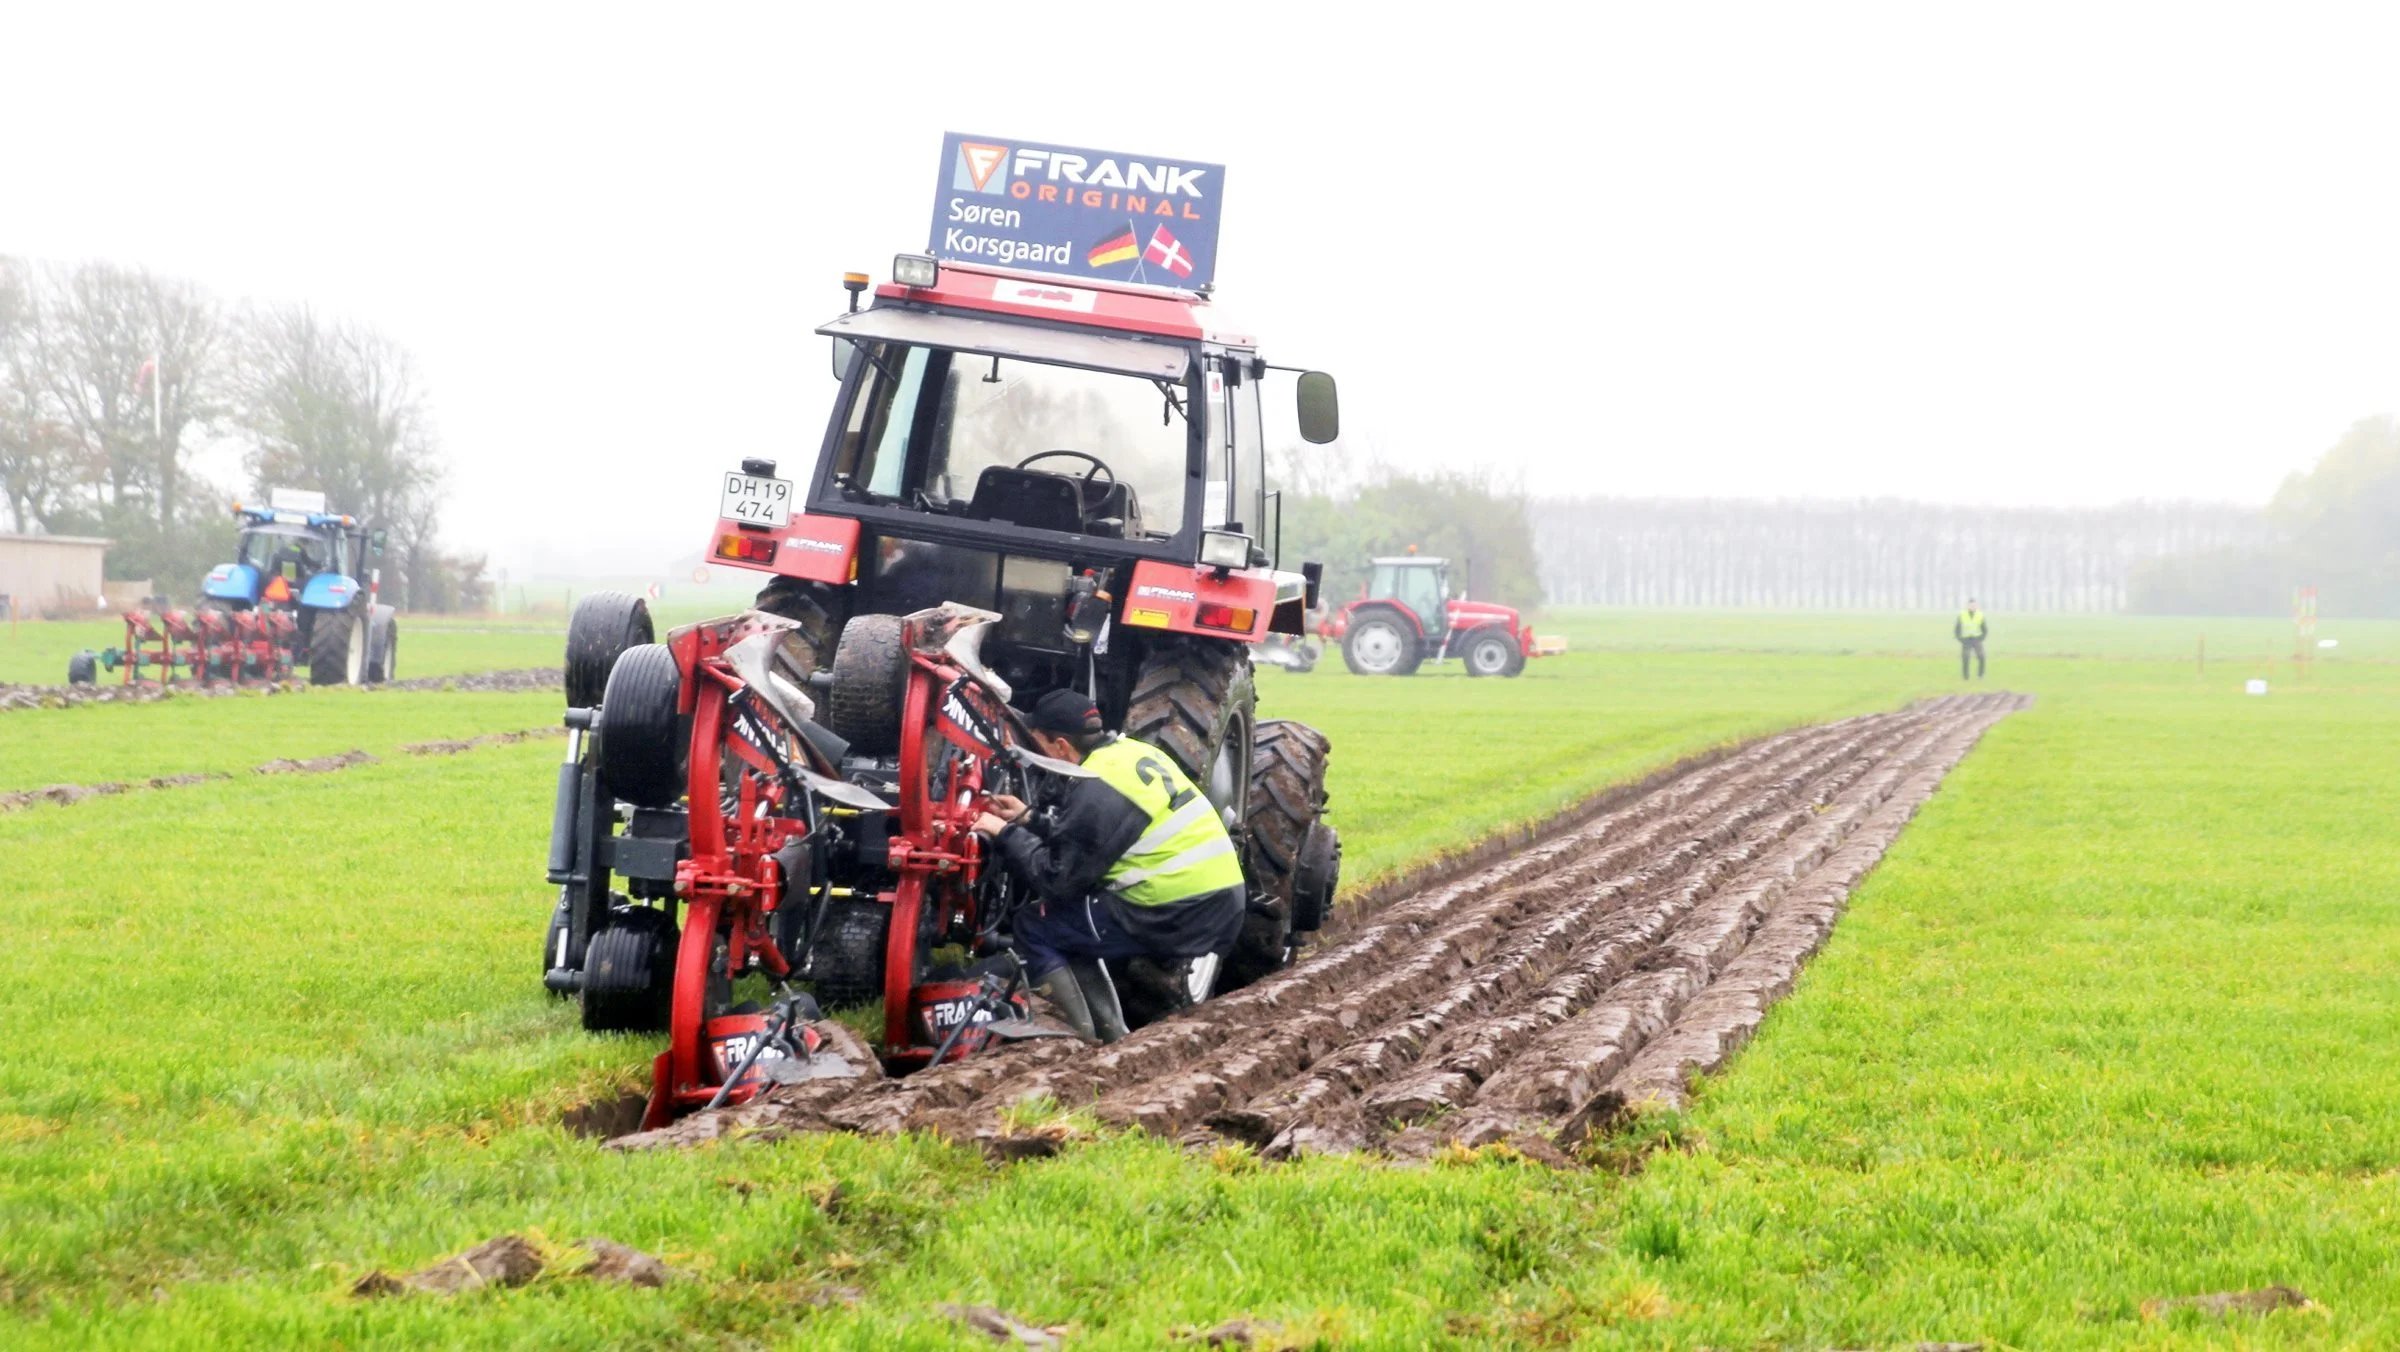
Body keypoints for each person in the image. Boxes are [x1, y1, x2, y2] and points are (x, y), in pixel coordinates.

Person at [972, 689, 1246, 1043]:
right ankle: (1113, 1037)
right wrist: (1029, 819)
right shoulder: (1129, 754)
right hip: (1218, 897)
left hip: (1179, 908)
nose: (1036, 754)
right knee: (1071, 929)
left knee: (1036, 926)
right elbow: (1099, 836)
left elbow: (1055, 879)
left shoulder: (1096, 786)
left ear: (1059, 746)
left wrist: (1005, 833)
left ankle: (1079, 1039)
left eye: (1036, 743)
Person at [1955, 599, 1988, 680]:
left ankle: (1980, 675)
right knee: (1965, 657)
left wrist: (1981, 638)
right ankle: (1966, 676)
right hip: (1966, 639)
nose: (1972, 607)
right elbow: (1957, 629)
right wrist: (1960, 638)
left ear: (1976, 606)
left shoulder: (1980, 615)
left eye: (1974, 605)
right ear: (1967, 606)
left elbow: (1985, 629)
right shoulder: (1962, 615)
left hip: (1977, 639)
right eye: (1971, 605)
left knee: (1981, 657)